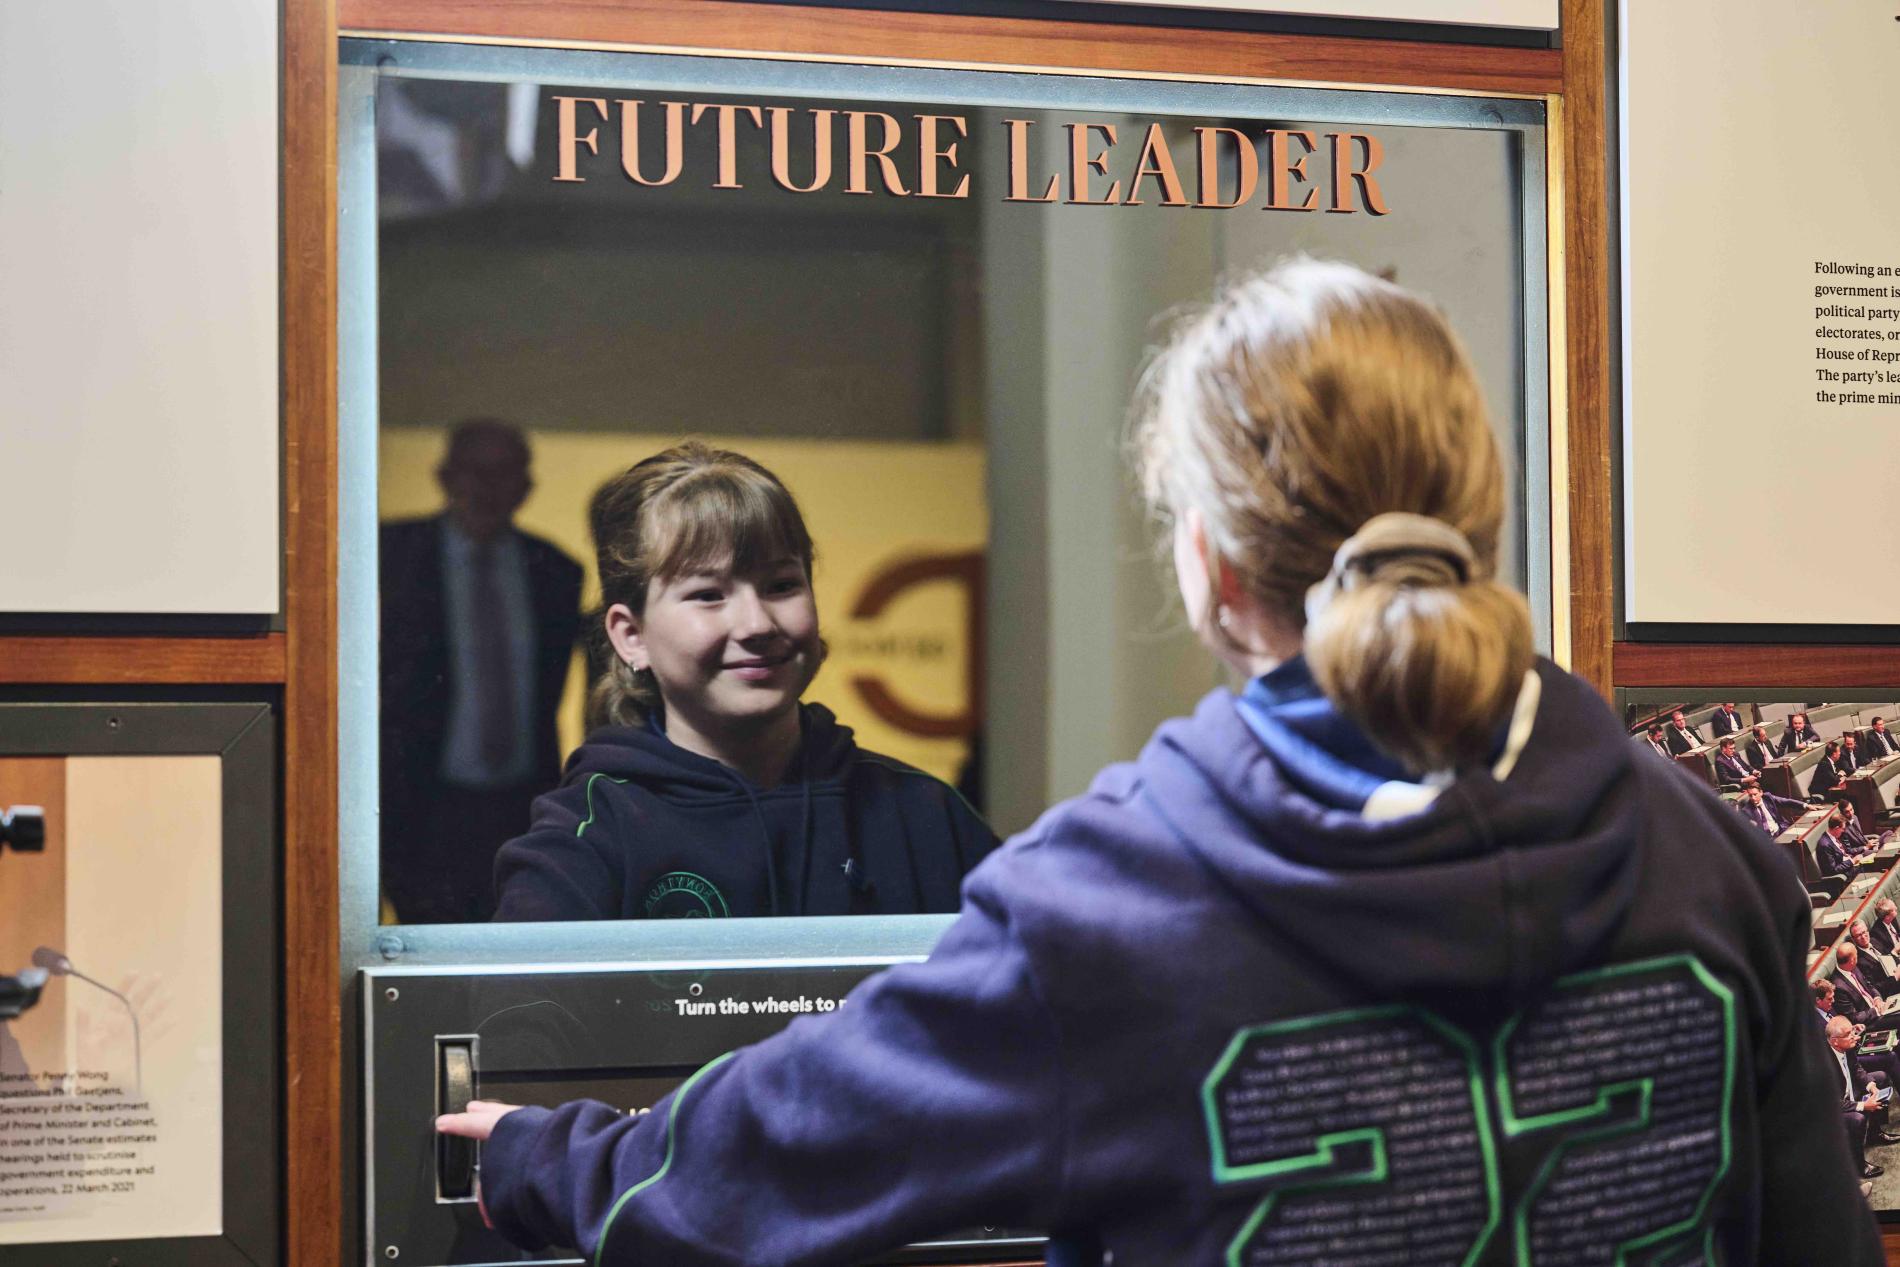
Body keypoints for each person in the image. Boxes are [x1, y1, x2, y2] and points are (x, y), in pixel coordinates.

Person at [440, 261, 1880, 1262]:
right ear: (1480, 516)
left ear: (1205, 563)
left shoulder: (1108, 905)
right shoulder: (1708, 847)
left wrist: (536, 1156)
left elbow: (774, 1160)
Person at [490, 443, 995, 921]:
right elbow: (519, 1010)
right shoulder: (586, 837)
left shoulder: (927, 814)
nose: (757, 624)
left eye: (782, 586)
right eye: (708, 594)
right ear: (631, 636)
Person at [380, 419, 585, 923]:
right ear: (446, 476)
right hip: (418, 805)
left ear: (526, 487)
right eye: (475, 471)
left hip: (522, 805)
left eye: (503, 473)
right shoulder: (388, 554)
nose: (486, 487)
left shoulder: (556, 570)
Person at [1829, 1016, 1896, 1179]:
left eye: (1852, 1031)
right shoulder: (1823, 1063)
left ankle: (1875, 1133)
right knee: (1857, 1118)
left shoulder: (1847, 1047)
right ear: (1835, 1041)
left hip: (1848, 1091)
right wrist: (1862, 1106)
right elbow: (1831, 1103)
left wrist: (1870, 1085)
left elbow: (1856, 1068)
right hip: (1830, 1107)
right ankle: (1859, 1167)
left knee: (1880, 1078)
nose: (1854, 1036)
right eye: (1848, 1034)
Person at [1735, 777, 1804, 835]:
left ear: (1761, 792)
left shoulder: (1768, 797)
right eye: (1750, 795)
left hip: (1780, 830)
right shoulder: (1746, 810)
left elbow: (1786, 801)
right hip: (1766, 839)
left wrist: (1805, 805)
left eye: (1755, 794)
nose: (1753, 798)